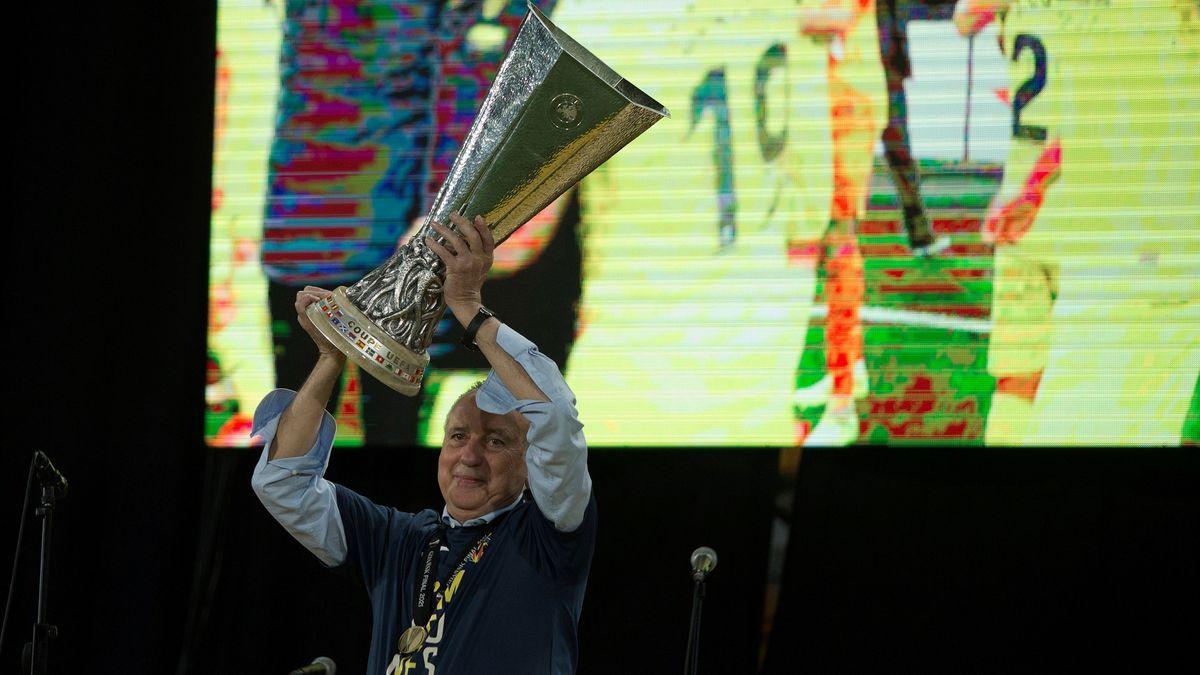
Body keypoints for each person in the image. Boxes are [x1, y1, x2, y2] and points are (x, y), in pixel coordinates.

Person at [251, 213, 595, 674]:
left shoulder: (549, 536)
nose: (469, 455)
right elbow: (282, 480)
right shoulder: (397, 540)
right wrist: (335, 354)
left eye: (495, 441)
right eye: (458, 436)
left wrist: (468, 306)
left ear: (529, 462)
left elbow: (553, 417)